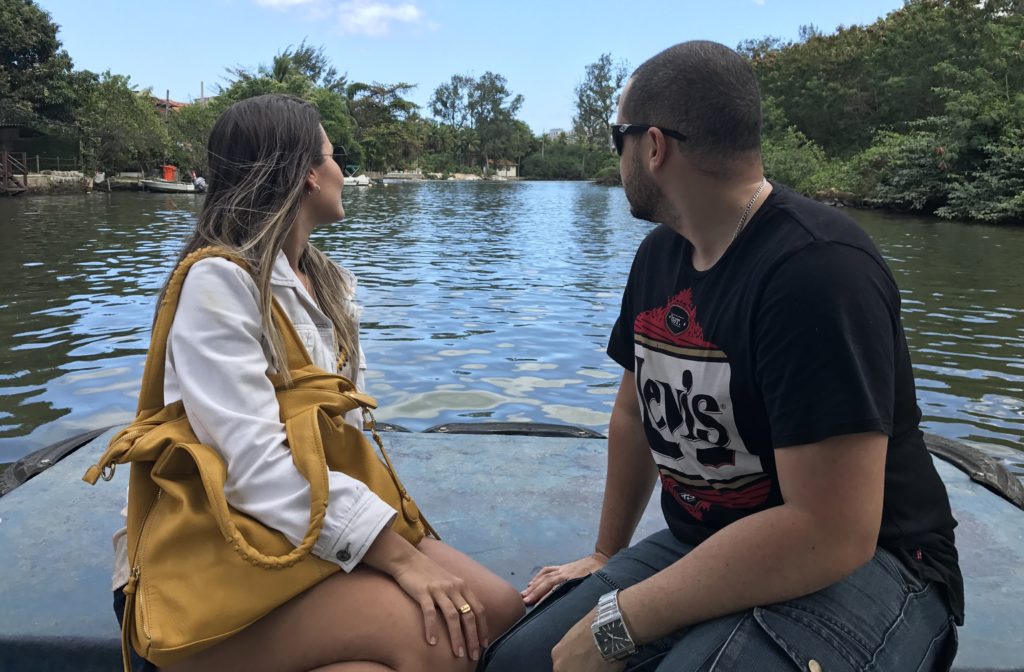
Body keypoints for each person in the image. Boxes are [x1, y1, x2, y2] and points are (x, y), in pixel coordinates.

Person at [482, 42, 962, 672]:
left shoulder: (817, 272)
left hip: (880, 562)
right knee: (521, 662)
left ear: (653, 147)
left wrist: (617, 623)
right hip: (707, 541)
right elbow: (633, 415)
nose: (620, 157)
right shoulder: (661, 255)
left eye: (616, 140)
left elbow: (831, 532)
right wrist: (605, 556)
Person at [110, 94, 524, 672]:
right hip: (227, 550)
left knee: (498, 608)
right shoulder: (218, 284)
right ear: (306, 173)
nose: (341, 170)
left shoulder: (326, 283)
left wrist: (385, 544)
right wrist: (401, 561)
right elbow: (252, 468)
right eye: (335, 156)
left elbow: (337, 443)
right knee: (436, 641)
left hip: (303, 530)